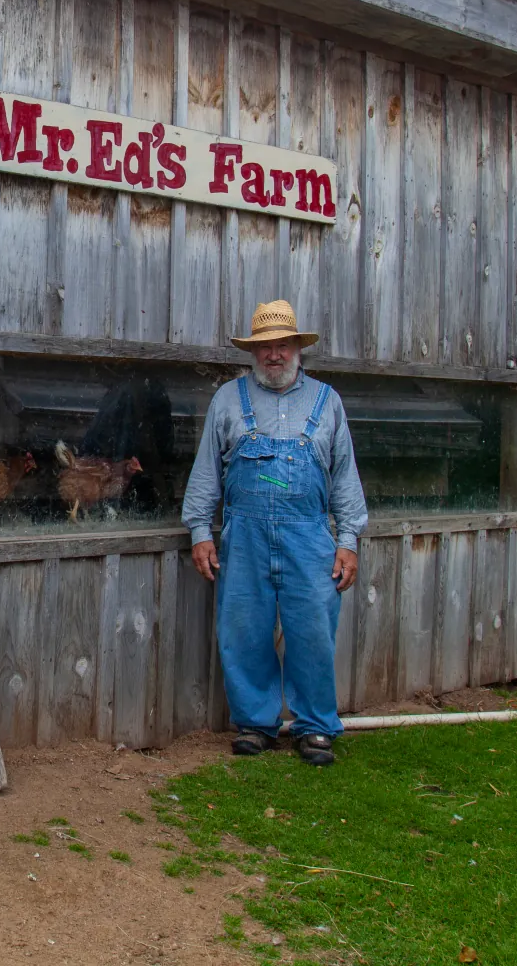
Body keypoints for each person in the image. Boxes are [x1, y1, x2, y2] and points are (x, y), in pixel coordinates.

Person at [181, 300, 366, 766]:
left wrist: (348, 542)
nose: (274, 355)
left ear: (297, 349)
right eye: (265, 347)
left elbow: (344, 479)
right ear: (253, 353)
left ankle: (315, 728)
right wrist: (200, 530)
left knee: (313, 632)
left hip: (310, 538)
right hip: (244, 537)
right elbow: (206, 474)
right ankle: (255, 725)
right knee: (244, 629)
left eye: (282, 345)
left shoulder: (327, 402)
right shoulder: (228, 399)